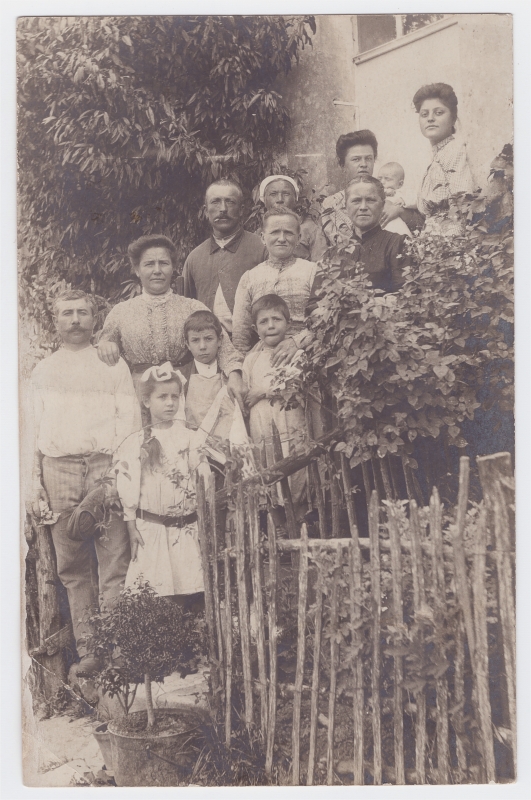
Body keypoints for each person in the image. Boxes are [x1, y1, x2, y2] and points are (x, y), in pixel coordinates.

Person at [29, 289, 136, 676]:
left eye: (83, 313)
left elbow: (129, 421)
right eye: (67, 314)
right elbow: (29, 430)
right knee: (73, 567)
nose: (75, 320)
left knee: (114, 559)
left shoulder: (112, 364)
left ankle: (120, 649)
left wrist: (118, 472)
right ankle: (91, 652)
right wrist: (33, 483)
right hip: (58, 469)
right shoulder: (43, 370)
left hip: (104, 464)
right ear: (55, 321)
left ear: (95, 319)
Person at [97, 234, 245, 424]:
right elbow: (103, 345)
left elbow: (223, 346)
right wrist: (105, 343)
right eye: (149, 264)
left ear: (173, 268)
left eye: (164, 263)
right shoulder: (121, 312)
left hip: (185, 391)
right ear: (136, 270)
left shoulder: (193, 307)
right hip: (138, 393)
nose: (157, 270)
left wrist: (234, 374)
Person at [116, 365, 209, 600]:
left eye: (174, 397)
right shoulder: (136, 441)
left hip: (185, 528)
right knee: (155, 592)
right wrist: (131, 525)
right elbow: (128, 487)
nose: (170, 403)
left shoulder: (189, 437)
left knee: (189, 590)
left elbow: (203, 480)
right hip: (151, 528)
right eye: (162, 397)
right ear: (146, 401)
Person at [242, 294, 307, 524]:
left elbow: (296, 385)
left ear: (288, 323)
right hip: (262, 427)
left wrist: (263, 391)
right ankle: (277, 529)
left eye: (276, 319)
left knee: (295, 468)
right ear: (254, 328)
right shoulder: (251, 359)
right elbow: (247, 395)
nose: (270, 326)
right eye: (263, 321)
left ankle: (299, 526)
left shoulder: (296, 354)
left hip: (290, 422)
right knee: (268, 469)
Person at [232, 207, 318, 361]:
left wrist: (296, 342)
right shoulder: (250, 278)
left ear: (298, 238)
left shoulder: (313, 271)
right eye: (275, 232)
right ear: (263, 237)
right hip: (263, 355)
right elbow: (240, 337)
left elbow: (323, 322)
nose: (282, 238)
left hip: (306, 352)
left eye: (289, 233)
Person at [182, 180, 267, 336]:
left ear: (241, 210)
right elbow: (186, 309)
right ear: (206, 211)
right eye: (215, 202)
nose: (223, 209)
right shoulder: (194, 258)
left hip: (254, 346)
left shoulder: (261, 249)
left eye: (230, 202)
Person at [319, 130, 415, 250]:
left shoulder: (388, 194)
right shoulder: (332, 204)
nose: (364, 164)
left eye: (369, 158)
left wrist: (400, 211)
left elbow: (420, 223)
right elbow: (335, 243)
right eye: (356, 159)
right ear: (342, 165)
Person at [413, 82, 475, 236]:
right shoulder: (434, 156)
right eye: (424, 114)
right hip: (432, 234)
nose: (430, 119)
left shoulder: (454, 150)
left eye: (439, 112)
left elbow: (461, 203)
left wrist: (449, 242)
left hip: (448, 235)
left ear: (453, 118)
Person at [259, 175, 326, 262]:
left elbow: (321, 268)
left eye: (286, 194)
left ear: (295, 199)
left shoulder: (311, 229)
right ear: (264, 199)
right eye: (273, 194)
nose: (280, 199)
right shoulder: (257, 234)